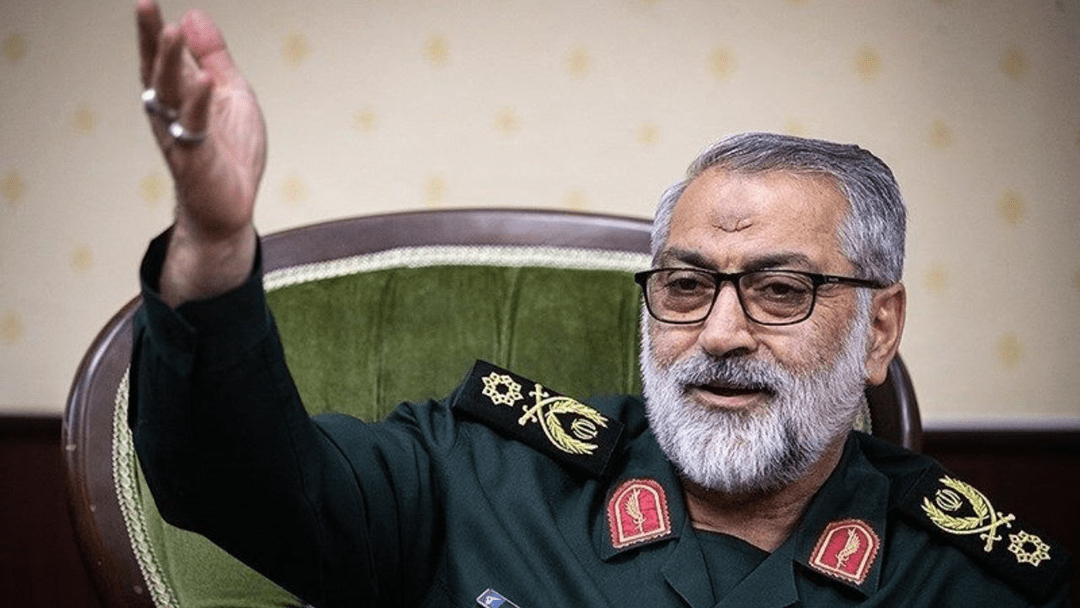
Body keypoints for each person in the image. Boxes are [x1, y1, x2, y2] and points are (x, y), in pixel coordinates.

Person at [128, 1, 1071, 606]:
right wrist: (213, 244)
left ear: (880, 329)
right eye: (686, 285)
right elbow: (231, 479)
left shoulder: (968, 578)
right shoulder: (481, 479)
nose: (720, 333)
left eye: (781, 291)